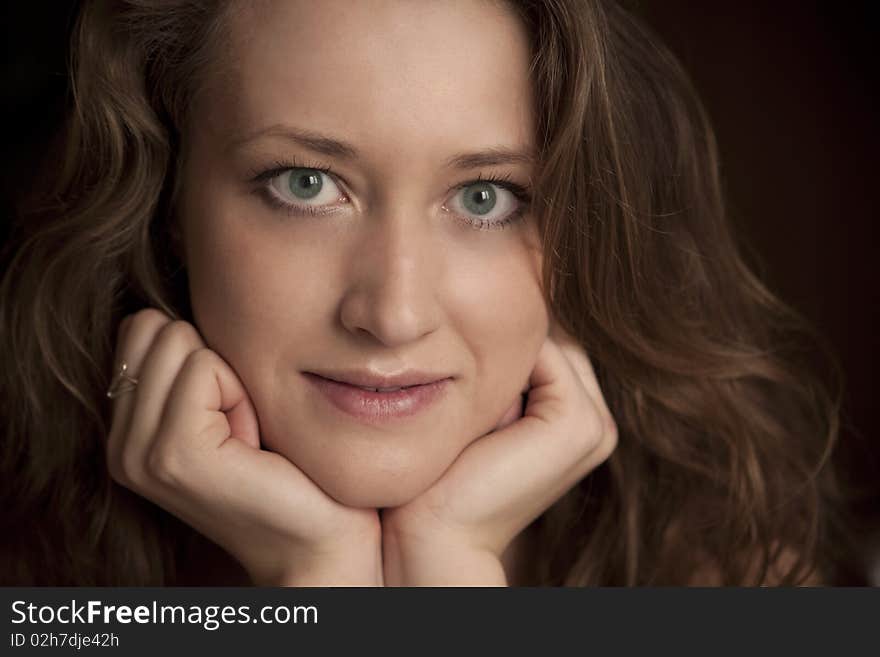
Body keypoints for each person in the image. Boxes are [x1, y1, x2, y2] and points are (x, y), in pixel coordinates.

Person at [0, 0, 851, 586]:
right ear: (170, 202)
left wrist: (447, 575)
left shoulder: (736, 579)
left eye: (486, 197)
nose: (393, 313)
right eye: (306, 184)